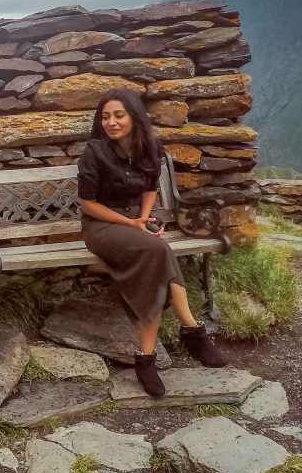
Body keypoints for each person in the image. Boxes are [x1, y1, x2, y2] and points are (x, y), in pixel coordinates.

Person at [76, 88, 227, 396]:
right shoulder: (94, 151)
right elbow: (87, 204)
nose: (111, 122)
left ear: (134, 116)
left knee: (157, 252)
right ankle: (191, 329)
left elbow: (148, 189)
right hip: (102, 226)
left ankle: (146, 359)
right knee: (159, 249)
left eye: (119, 115)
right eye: (105, 117)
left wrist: (144, 219)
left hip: (135, 222)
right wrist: (131, 223)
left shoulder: (150, 147)